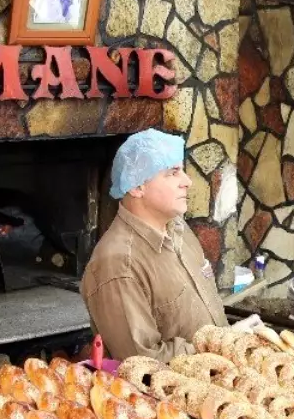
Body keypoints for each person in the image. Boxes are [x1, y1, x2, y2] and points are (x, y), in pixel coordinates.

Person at [81, 129, 228, 362]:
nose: (187, 182)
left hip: (222, 376)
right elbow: (142, 363)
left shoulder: (179, 229)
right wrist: (216, 349)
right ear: (137, 187)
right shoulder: (118, 264)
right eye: (173, 173)